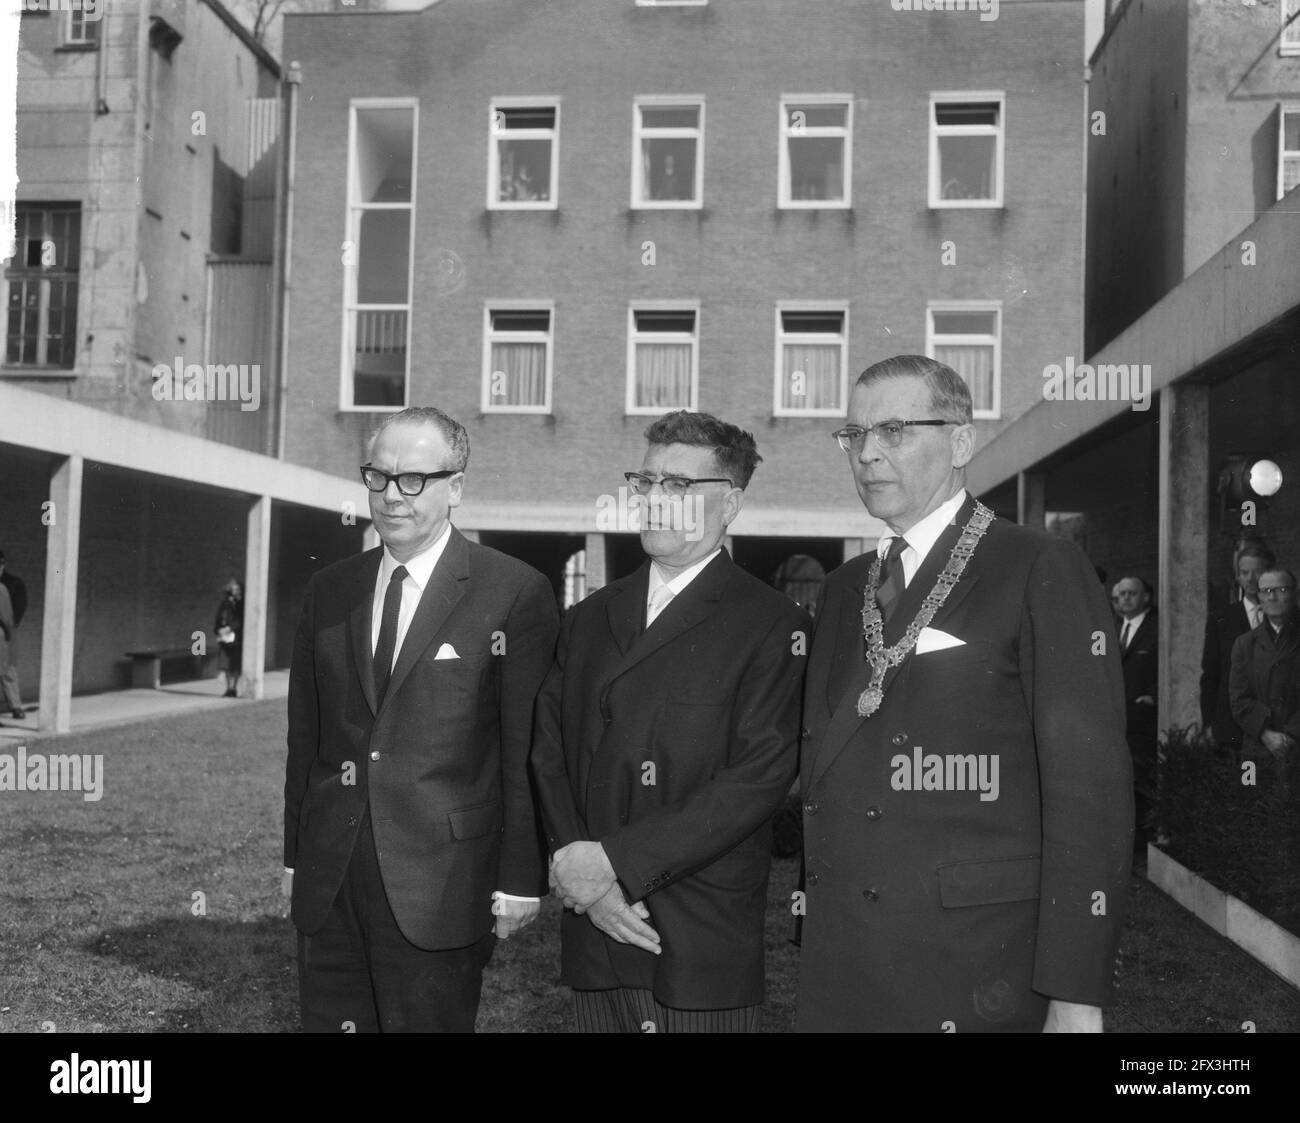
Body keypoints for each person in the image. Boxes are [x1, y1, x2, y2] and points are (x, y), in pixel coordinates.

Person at [797, 354, 1132, 1033]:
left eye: (893, 430)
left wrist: (1075, 991)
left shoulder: (1038, 566)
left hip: (976, 968)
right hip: (844, 967)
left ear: (959, 441)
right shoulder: (842, 588)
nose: (867, 453)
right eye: (854, 434)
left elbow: (1088, 792)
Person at [283, 406, 559, 1032]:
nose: (390, 496)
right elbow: (308, 739)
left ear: (455, 486)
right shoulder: (331, 590)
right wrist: (296, 859)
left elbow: (525, 750)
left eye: (413, 479)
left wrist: (521, 878)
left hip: (442, 883)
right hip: (331, 879)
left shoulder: (513, 592)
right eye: (377, 477)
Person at [531, 411, 809, 1032]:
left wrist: (613, 864)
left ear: (730, 502)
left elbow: (757, 779)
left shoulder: (771, 624)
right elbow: (549, 752)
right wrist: (587, 877)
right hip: (597, 931)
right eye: (646, 481)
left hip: (697, 933)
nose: (655, 502)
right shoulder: (588, 618)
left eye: (679, 487)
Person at [1201, 540, 1274, 751]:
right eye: (1244, 572)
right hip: (1231, 724)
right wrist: (1208, 723)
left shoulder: (1290, 617)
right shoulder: (1221, 618)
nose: (1251, 578)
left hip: (1277, 724)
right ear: (1238, 577)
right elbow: (1211, 675)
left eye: (1257, 571)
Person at [1229, 568, 1300, 763]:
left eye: (1281, 589)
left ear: (1295, 593)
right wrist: (1266, 735)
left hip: (1296, 749)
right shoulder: (1244, 643)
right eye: (1266, 591)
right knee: (1249, 789)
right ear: (1259, 596)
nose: (1273, 597)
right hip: (1254, 752)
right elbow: (1239, 699)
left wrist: (1291, 736)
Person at [1113, 576, 1158, 847]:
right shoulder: (1112, 627)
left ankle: (1143, 841)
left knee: (1142, 778)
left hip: (1143, 719)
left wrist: (1154, 695)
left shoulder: (1156, 629)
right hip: (1116, 718)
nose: (1126, 599)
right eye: (1121, 595)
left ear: (1145, 598)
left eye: (1132, 593)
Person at [0, 551, 26, 719]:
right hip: (4, 632)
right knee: (6, 668)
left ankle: (15, 705)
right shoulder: (2, 587)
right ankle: (16, 707)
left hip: (6, 631)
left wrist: (11, 628)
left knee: (8, 669)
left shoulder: (13, 583)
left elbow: (17, 608)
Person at [215, 580, 244, 698]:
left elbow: (241, 619)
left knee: (236, 665)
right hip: (225, 639)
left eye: (237, 589)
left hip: (237, 638)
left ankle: (234, 688)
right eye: (233, 589)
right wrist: (218, 631)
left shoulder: (241, 604)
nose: (235, 591)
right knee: (225, 665)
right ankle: (228, 688)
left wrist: (231, 628)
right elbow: (217, 619)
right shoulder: (224, 603)